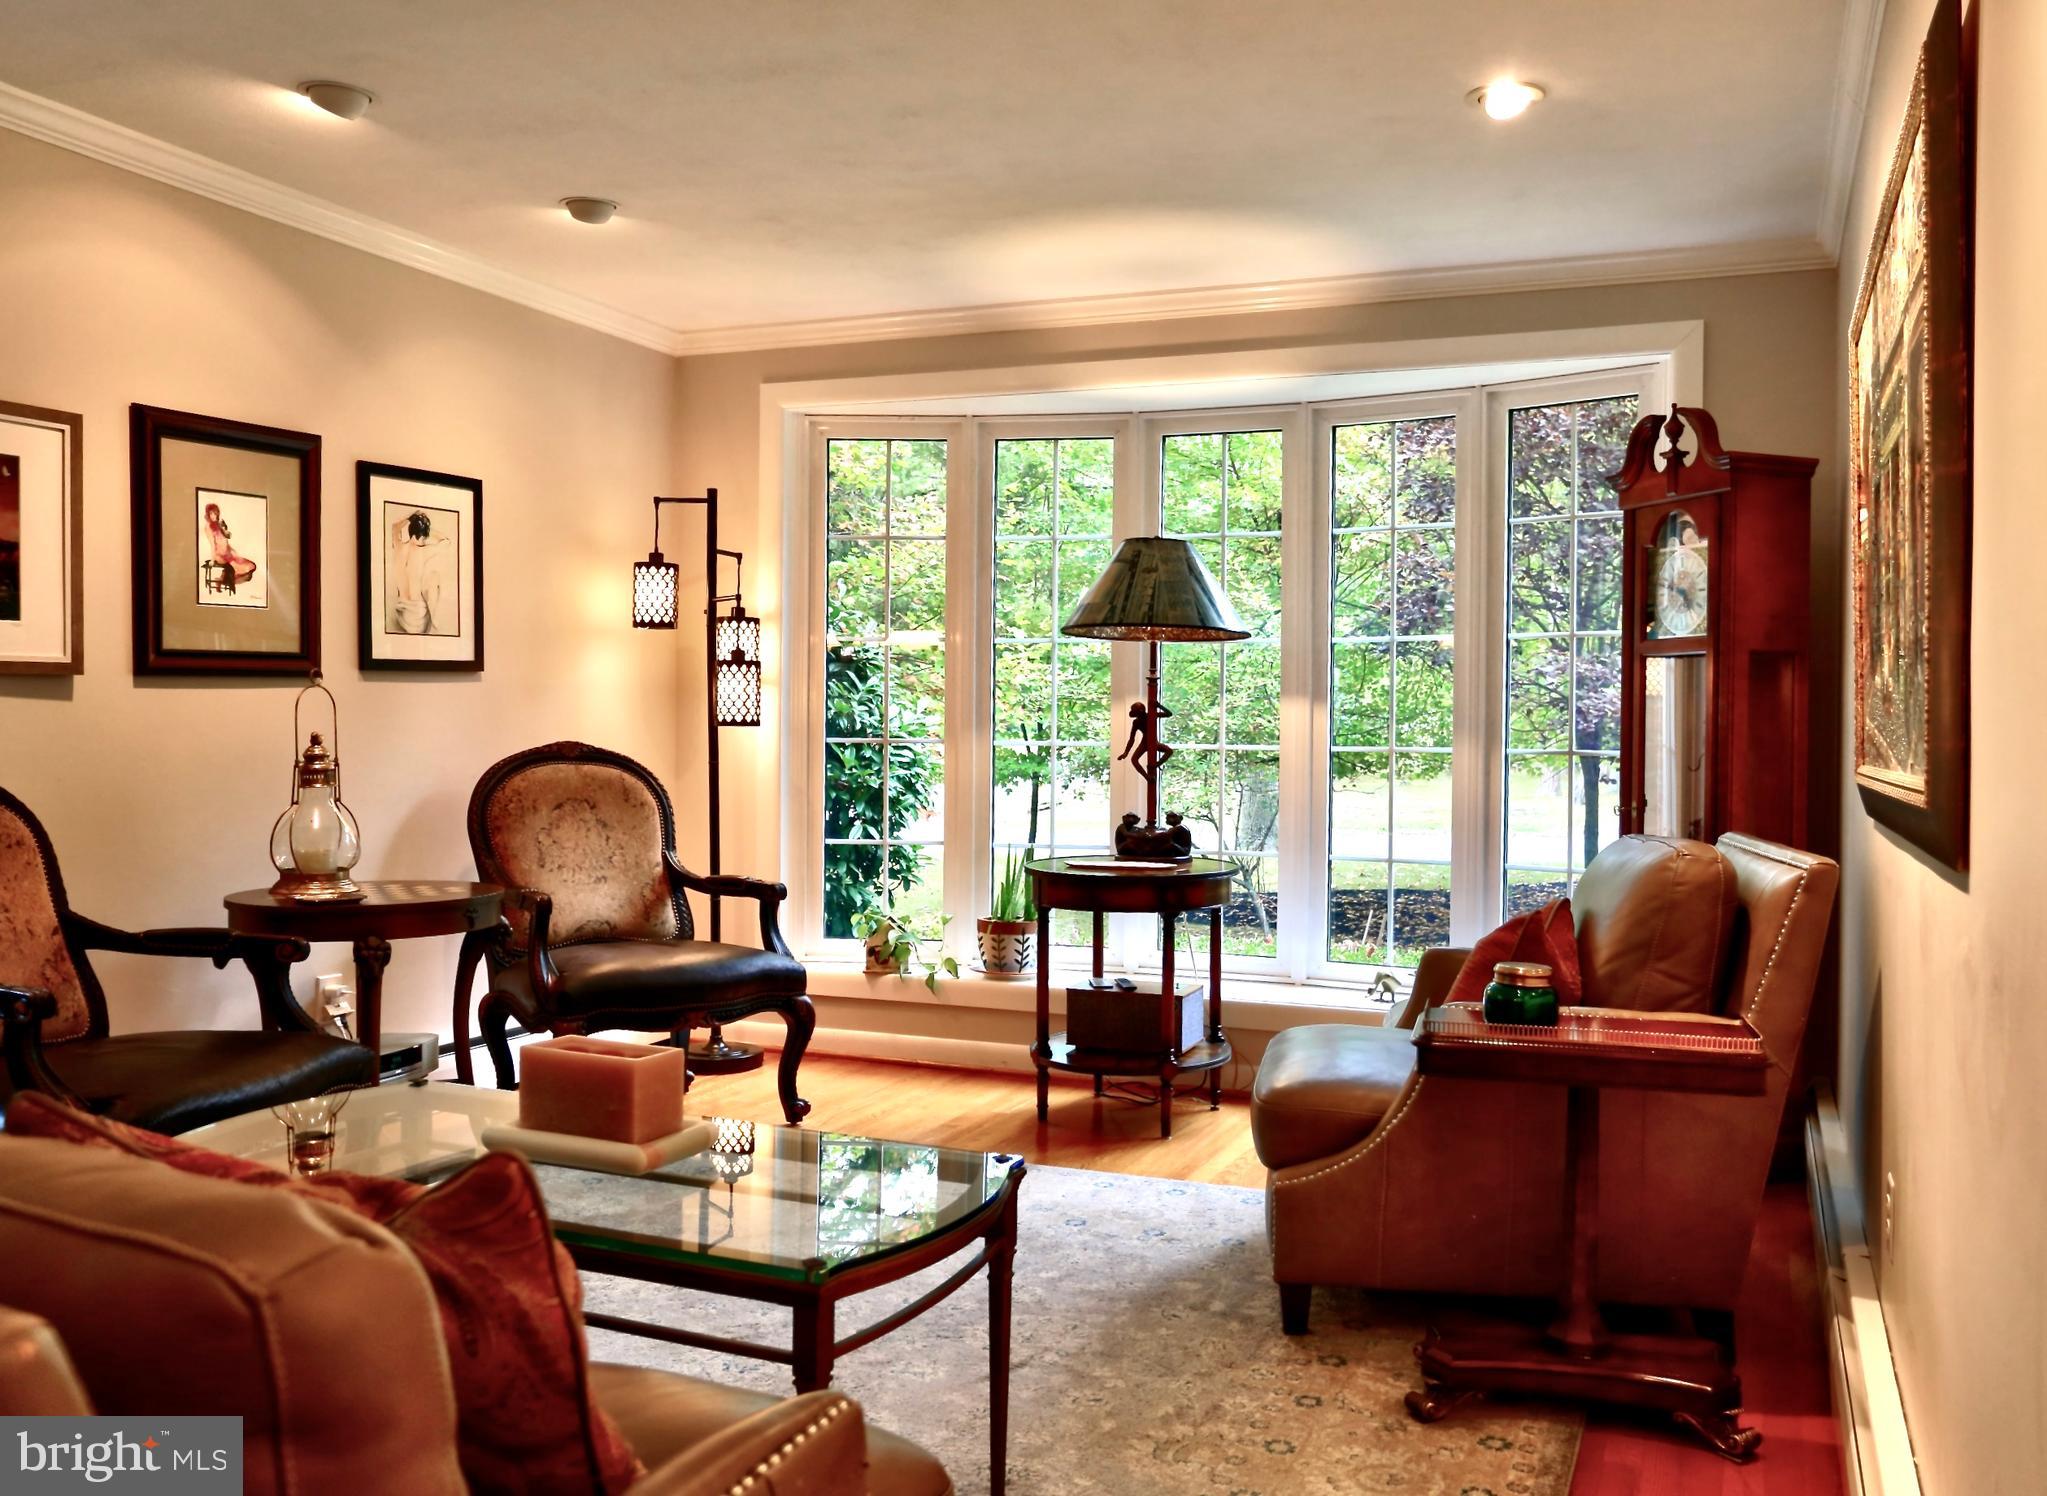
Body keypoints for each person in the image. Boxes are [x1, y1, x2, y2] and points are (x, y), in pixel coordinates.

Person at [387, 508, 455, 635]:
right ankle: (435, 618)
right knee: (434, 577)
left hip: (401, 612)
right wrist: (427, 528)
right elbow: (446, 542)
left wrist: (411, 519)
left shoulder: (398, 546)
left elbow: (394, 527)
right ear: (424, 535)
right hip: (418, 616)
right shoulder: (422, 551)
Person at [202, 501, 257, 591]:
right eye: (211, 514)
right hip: (220, 555)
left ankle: (222, 579)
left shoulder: (219, 524)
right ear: (208, 514)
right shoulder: (208, 527)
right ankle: (223, 579)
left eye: (215, 513)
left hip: (228, 552)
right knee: (243, 570)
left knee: (251, 567)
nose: (213, 516)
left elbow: (228, 537)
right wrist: (212, 559)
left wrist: (223, 529)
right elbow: (212, 544)